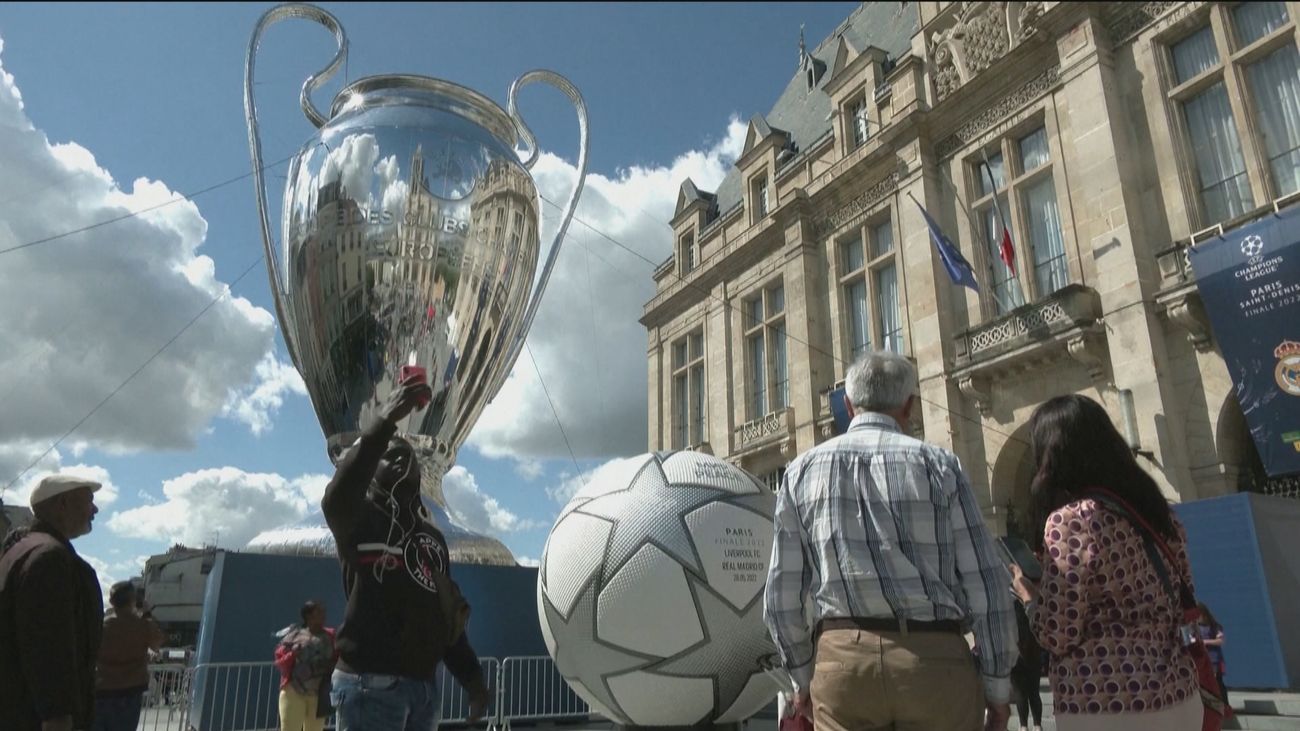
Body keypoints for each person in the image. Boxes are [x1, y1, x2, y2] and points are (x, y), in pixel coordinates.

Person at [764, 351, 1018, 731]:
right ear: (910, 405)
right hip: (935, 662)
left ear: (848, 405)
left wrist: (802, 679)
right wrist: (998, 687)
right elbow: (987, 584)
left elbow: (781, 599)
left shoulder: (800, 472)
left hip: (843, 662)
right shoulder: (940, 466)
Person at [1010, 394, 1200, 730]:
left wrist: (1028, 597)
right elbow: (1183, 596)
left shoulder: (1071, 520)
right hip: (1179, 695)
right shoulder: (1159, 514)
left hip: (1104, 702)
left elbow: (1057, 633)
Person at [322, 375, 490, 731]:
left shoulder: (432, 538)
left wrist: (474, 682)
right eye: (389, 455)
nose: (401, 458)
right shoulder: (359, 518)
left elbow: (445, 617)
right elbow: (337, 497)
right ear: (371, 472)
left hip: (423, 691)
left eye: (408, 457)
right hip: (369, 686)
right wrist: (384, 423)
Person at [0, 474, 105, 731]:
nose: (95, 509)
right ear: (63, 504)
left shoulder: (19, 550)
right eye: (89, 500)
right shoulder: (50, 559)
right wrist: (58, 717)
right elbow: (49, 649)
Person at [93, 581, 165, 731]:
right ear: (133, 600)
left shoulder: (101, 626)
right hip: (131, 691)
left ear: (112, 602)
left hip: (101, 690)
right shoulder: (143, 626)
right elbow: (157, 643)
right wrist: (147, 613)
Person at [274, 600, 337, 731]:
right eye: (319, 612)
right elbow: (280, 662)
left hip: (318, 695)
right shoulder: (295, 635)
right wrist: (293, 654)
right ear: (308, 616)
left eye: (324, 611)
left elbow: (337, 657)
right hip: (294, 692)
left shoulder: (331, 636)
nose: (323, 614)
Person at [1010, 601, 1043, 731]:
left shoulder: (1010, 606)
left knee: (1020, 692)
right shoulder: (1033, 605)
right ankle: (1037, 725)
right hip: (1034, 652)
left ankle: (1023, 726)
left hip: (1016, 653)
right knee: (1034, 691)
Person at [1198, 602, 1229, 708]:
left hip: (1215, 660)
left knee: (1218, 684)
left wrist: (1205, 642)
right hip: (1201, 660)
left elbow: (1220, 641)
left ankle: (1224, 706)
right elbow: (1190, 641)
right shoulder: (1193, 627)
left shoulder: (1215, 626)